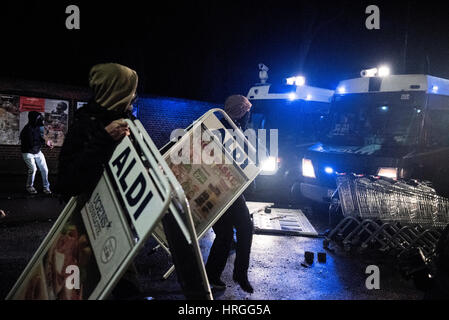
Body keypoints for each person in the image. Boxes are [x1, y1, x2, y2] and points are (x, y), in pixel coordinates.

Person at [57, 63, 138, 299]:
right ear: (115, 91)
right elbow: (66, 182)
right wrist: (103, 138)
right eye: (129, 89)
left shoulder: (128, 123)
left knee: (126, 288)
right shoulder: (85, 125)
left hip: (120, 225)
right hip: (89, 227)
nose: (133, 95)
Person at [205, 95, 255, 293]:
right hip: (226, 188)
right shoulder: (224, 128)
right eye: (246, 111)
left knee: (225, 234)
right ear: (240, 112)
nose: (247, 115)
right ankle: (240, 274)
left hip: (220, 188)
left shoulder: (227, 125)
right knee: (245, 227)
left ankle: (212, 275)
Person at [20, 111, 54, 195]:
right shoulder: (26, 130)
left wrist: (47, 142)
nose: (40, 121)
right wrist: (45, 144)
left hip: (37, 151)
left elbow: (40, 137)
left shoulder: (38, 127)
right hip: (28, 152)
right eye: (38, 119)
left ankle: (46, 187)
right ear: (33, 119)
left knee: (45, 169)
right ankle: (29, 186)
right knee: (33, 169)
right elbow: (32, 143)